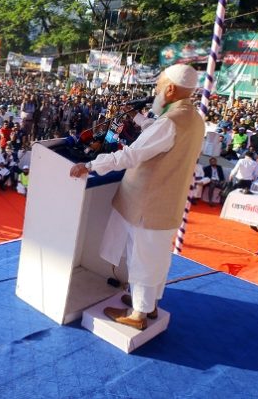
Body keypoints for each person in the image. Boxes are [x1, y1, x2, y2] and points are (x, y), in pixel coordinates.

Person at [70, 64, 204, 330]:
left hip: (148, 203)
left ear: (170, 89)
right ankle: (148, 305)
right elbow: (160, 138)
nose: (155, 91)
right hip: (167, 203)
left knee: (141, 258)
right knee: (155, 257)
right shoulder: (194, 118)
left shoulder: (170, 122)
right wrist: (139, 119)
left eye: (158, 86)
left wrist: (91, 165)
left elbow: (132, 155)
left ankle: (137, 315)